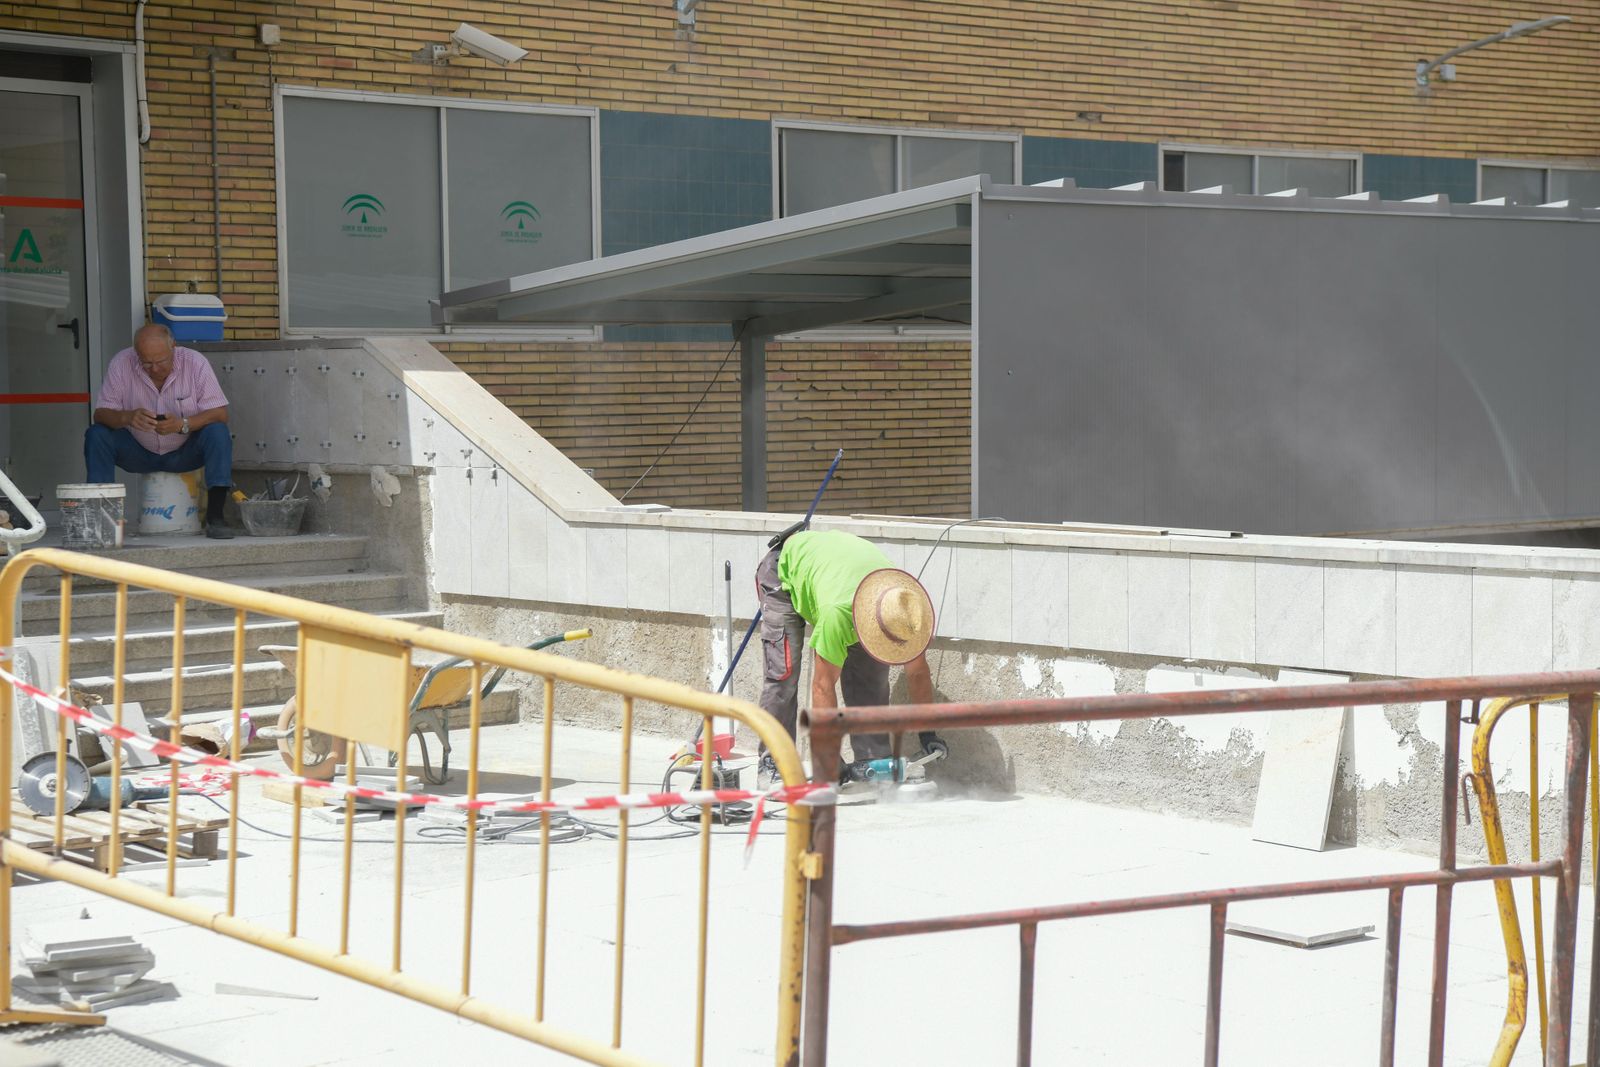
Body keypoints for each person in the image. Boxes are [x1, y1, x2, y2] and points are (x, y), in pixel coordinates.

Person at [755, 527, 936, 788]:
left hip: (841, 577)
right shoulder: (837, 614)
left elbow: (918, 673)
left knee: (871, 676)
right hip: (783, 573)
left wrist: (928, 732)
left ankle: (873, 761)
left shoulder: (903, 606)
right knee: (783, 676)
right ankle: (773, 763)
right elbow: (822, 686)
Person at [84, 323, 235, 539]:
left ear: (173, 346)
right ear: (136, 354)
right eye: (147, 362)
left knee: (218, 432)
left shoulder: (195, 363)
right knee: (96, 434)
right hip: (138, 452)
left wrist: (183, 424)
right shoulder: (121, 363)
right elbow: (100, 414)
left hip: (185, 452)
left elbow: (220, 413)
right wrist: (127, 417)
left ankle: (216, 516)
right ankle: (101, 518)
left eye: (161, 361)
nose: (154, 368)